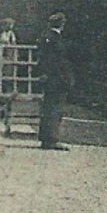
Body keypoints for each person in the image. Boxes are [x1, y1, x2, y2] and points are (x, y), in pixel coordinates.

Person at [38, 11, 73, 151]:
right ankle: (52, 139)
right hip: (56, 79)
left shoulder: (47, 37)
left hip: (51, 77)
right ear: (62, 24)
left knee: (48, 108)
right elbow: (55, 61)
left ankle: (46, 139)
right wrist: (65, 79)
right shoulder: (55, 39)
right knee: (55, 109)